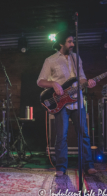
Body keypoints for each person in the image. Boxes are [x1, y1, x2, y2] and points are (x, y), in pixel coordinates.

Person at [37, 30, 97, 176]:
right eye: (69, 42)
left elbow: (81, 78)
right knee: (61, 136)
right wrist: (53, 84)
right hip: (62, 103)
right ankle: (61, 167)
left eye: (73, 41)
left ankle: (88, 165)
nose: (72, 44)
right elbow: (40, 81)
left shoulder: (77, 58)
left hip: (78, 102)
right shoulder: (50, 60)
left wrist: (88, 82)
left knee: (83, 134)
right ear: (61, 43)